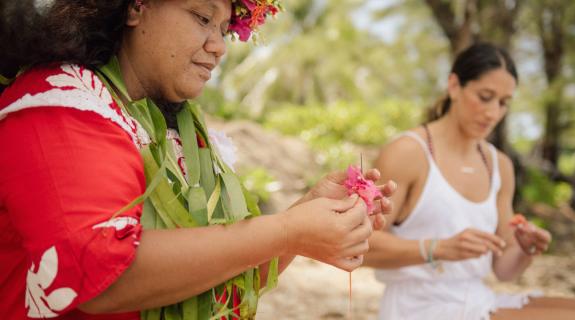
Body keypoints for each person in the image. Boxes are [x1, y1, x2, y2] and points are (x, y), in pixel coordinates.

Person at [0, 1, 394, 319]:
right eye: (203, 18)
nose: (219, 46)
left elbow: (218, 287)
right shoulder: (59, 104)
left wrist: (307, 215)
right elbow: (103, 280)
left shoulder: (177, 132)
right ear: (137, 7)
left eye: (224, 29)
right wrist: (288, 231)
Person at [363, 43, 575, 320]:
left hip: (477, 298)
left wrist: (525, 249)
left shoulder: (499, 164)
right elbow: (361, 246)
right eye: (485, 96)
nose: (493, 113)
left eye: (503, 102)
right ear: (454, 86)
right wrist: (437, 248)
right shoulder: (408, 152)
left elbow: (504, 269)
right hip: (420, 306)